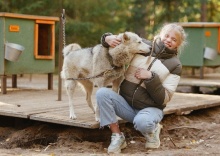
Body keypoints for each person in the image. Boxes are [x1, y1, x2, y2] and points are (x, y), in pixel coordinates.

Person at [96, 23, 187, 154]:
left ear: (178, 44)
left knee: (142, 122)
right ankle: (117, 136)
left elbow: (164, 98)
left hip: (151, 109)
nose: (168, 40)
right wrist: (107, 38)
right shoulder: (143, 46)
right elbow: (123, 40)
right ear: (160, 34)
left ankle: (153, 130)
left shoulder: (175, 65)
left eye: (174, 39)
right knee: (102, 93)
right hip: (126, 105)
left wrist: (151, 78)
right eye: (167, 36)